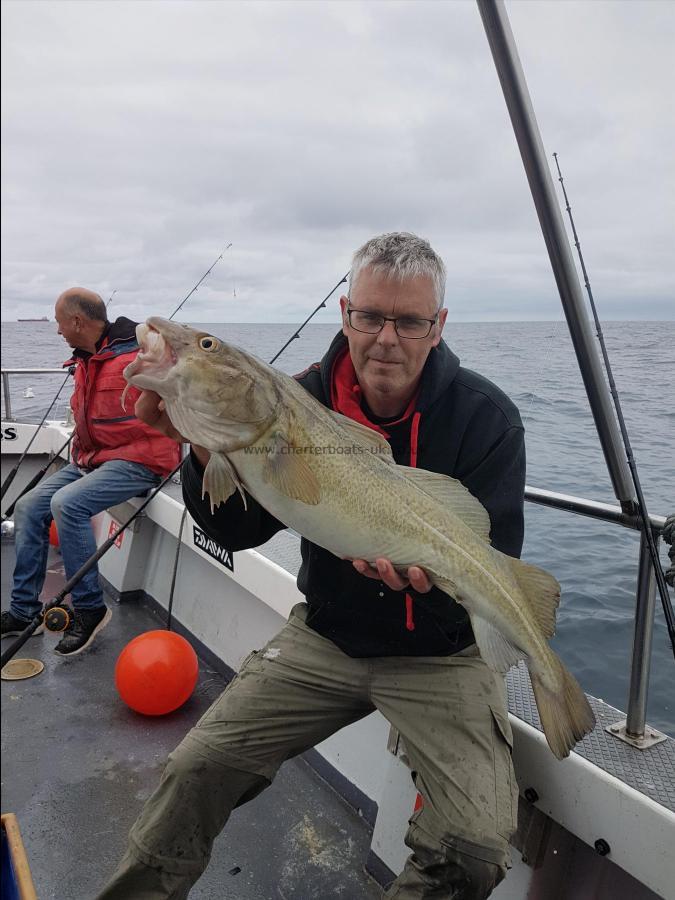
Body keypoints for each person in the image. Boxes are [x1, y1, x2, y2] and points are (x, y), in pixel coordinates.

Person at [98, 233, 525, 898]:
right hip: (325, 637)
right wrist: (207, 451)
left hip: (443, 653)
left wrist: (430, 584)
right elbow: (235, 532)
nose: (386, 338)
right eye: (369, 316)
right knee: (195, 769)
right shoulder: (293, 398)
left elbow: (497, 552)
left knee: (473, 847)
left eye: (408, 320)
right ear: (344, 311)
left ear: (436, 326)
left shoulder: (484, 417)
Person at [0, 288, 181, 656]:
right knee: (29, 506)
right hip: (95, 461)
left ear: (78, 321)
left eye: (59, 322)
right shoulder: (85, 358)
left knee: (67, 503)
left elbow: (175, 395)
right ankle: (23, 612)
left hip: (142, 462)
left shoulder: (140, 352)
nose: (57, 331)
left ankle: (89, 608)